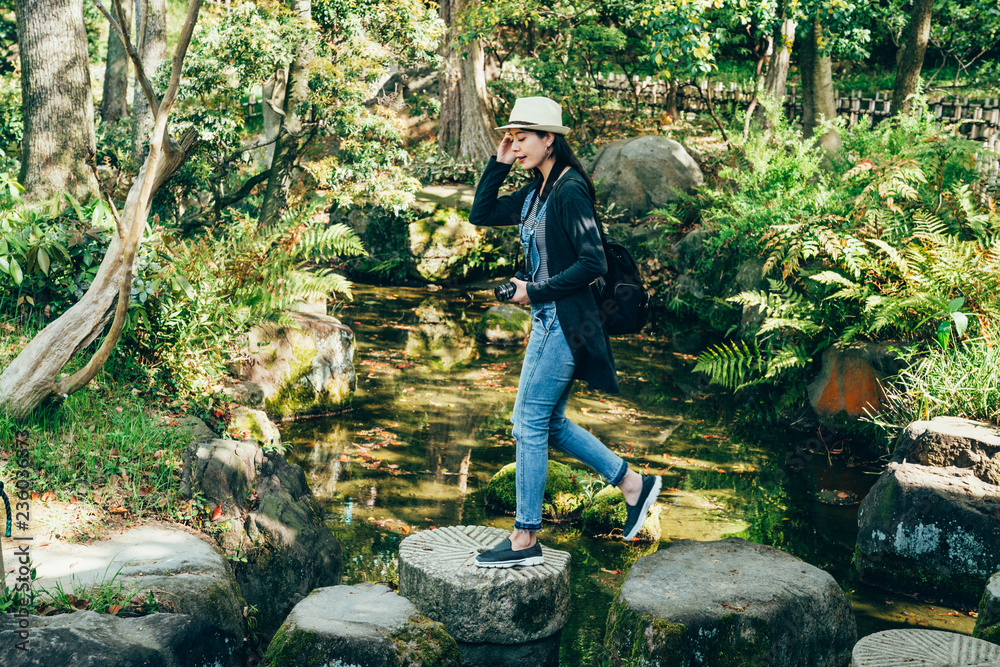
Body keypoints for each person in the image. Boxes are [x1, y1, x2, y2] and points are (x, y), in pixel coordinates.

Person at [469, 96, 661, 568]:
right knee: (547, 422)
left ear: (549, 139)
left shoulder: (570, 190)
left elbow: (592, 262)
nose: (514, 143)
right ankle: (633, 484)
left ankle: (524, 537)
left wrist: (533, 291)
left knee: (527, 423)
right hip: (549, 319)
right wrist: (497, 165)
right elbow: (482, 212)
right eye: (510, 136)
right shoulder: (537, 191)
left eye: (522, 136)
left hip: (566, 320)